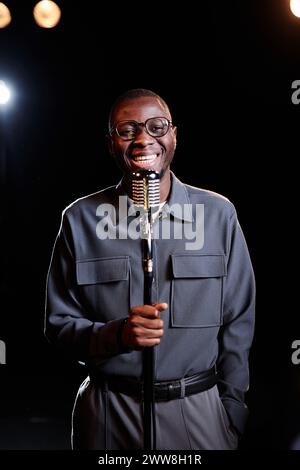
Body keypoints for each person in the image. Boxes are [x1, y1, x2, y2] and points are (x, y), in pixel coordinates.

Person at [45, 88, 255, 450]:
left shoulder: (218, 215)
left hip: (197, 411)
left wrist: (232, 411)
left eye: (157, 126)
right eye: (127, 130)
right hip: (109, 412)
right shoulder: (79, 219)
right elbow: (57, 325)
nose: (143, 139)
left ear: (174, 135)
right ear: (111, 143)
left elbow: (239, 321)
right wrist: (118, 335)